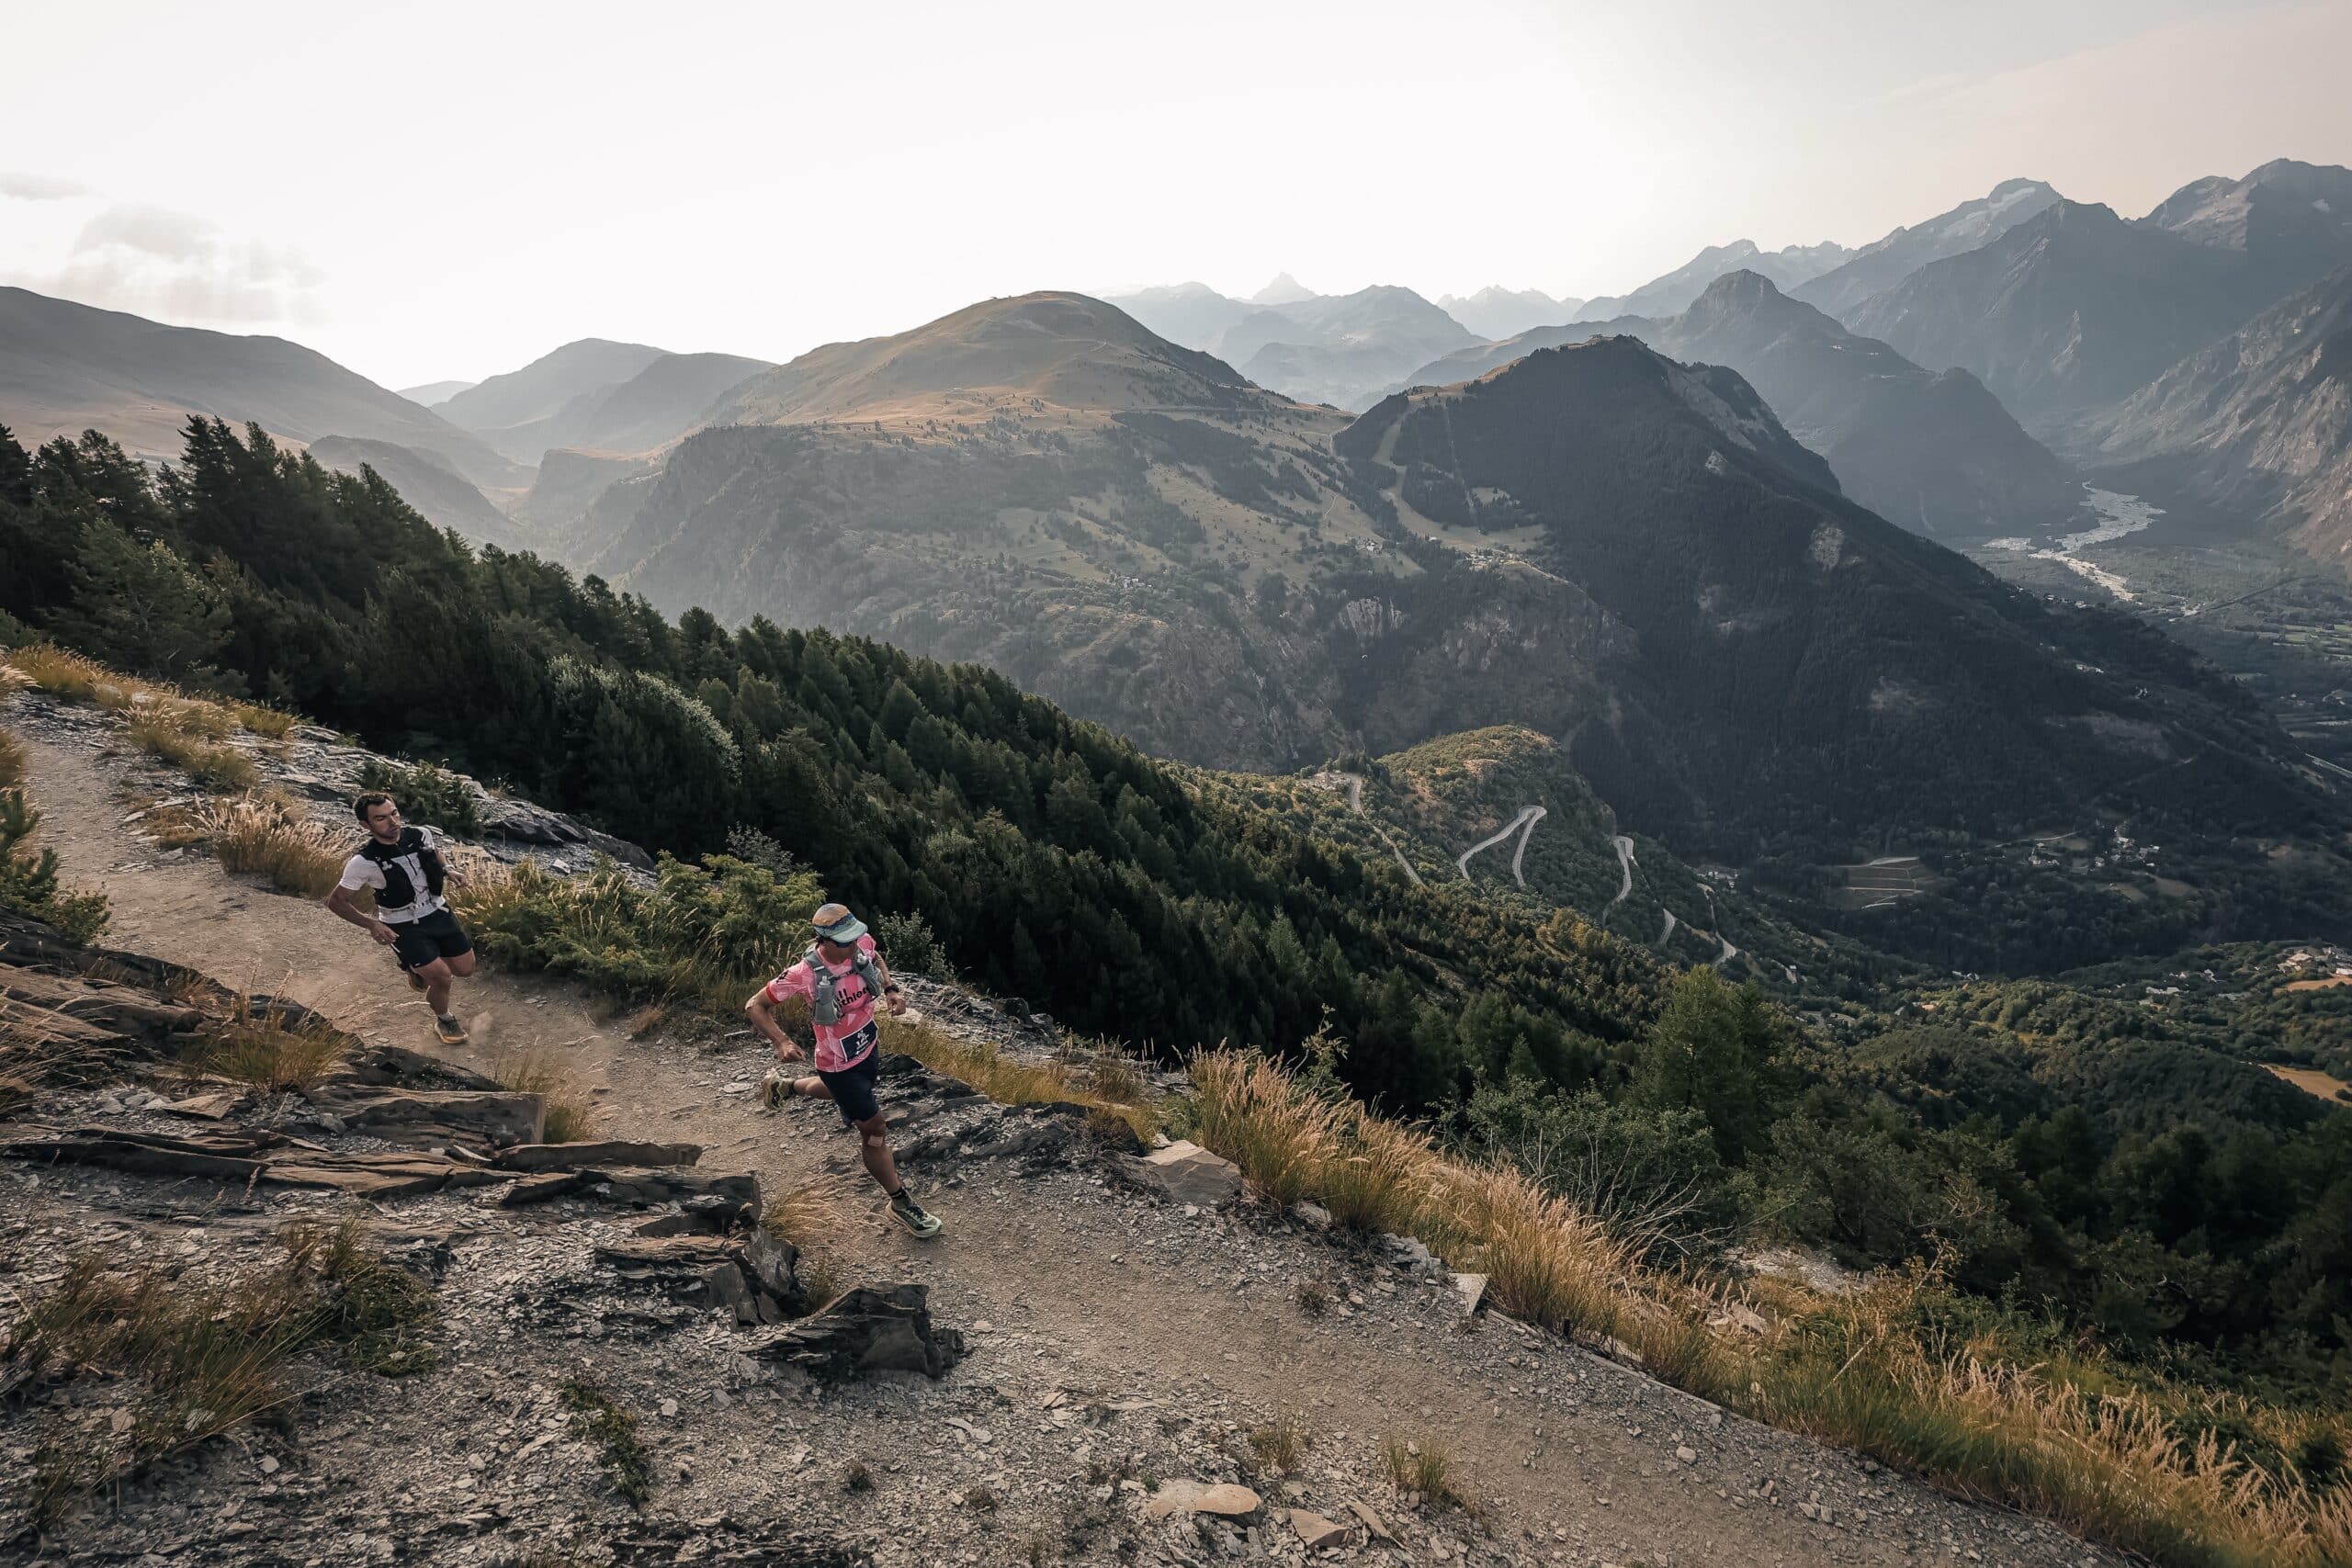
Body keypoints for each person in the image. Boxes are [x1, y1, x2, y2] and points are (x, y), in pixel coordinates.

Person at [745, 902, 942, 1237]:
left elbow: (875, 957)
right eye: (845, 941)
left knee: (842, 1094)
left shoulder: (860, 944)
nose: (854, 945)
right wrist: (781, 1042)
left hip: (867, 1046)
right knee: (875, 1130)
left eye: (855, 937)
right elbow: (755, 1005)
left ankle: (785, 1087)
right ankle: (900, 1202)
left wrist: (891, 989)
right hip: (837, 1063)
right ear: (823, 940)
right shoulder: (803, 974)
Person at [325, 791, 476, 1046]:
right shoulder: (363, 862)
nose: (393, 822)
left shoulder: (419, 835)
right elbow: (337, 901)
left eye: (394, 813)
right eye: (381, 818)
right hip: (402, 924)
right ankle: (444, 1018)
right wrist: (372, 924)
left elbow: (434, 852)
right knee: (441, 977)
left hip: (438, 912)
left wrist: (448, 869)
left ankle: (415, 967)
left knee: (465, 969)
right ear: (366, 825)